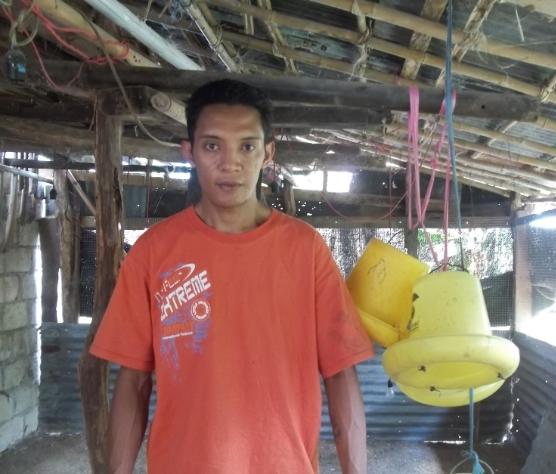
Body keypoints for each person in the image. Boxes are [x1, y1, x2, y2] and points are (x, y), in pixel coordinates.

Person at [90, 79, 374, 474]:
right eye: (212, 146)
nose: (231, 163)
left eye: (247, 146)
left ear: (267, 153)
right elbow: (133, 381)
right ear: (189, 152)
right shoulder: (154, 252)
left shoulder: (306, 250)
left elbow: (341, 373)